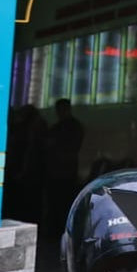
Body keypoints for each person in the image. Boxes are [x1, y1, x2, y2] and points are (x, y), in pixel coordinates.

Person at [45, 97, 86, 239]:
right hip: (58, 171)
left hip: (65, 171)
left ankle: (61, 233)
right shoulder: (61, 127)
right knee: (56, 204)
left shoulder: (71, 127)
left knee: (63, 204)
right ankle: (56, 233)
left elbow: (71, 148)